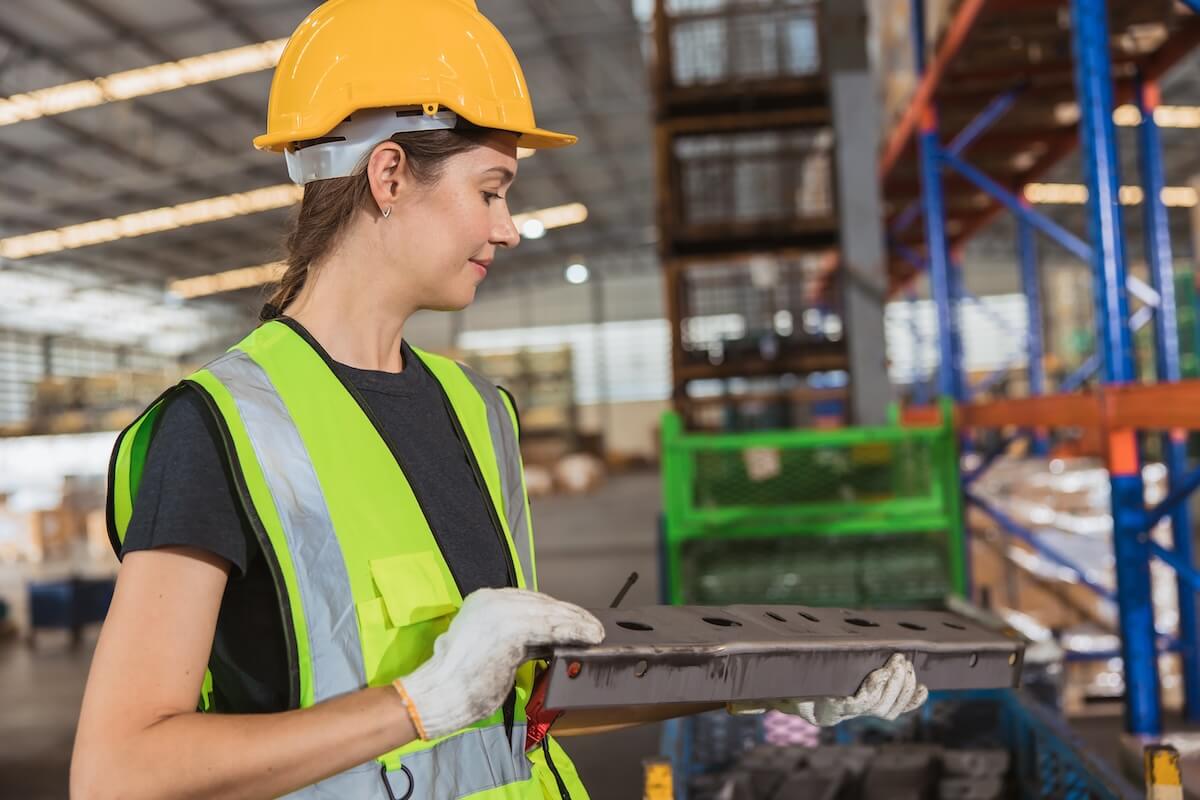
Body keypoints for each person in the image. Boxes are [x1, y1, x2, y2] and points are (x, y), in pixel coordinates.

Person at [71, 1, 926, 798]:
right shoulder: (222, 427)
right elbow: (116, 770)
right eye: (491, 189)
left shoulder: (479, 413)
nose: (509, 228)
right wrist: (415, 704)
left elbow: (518, 710)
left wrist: (773, 686)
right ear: (391, 174)